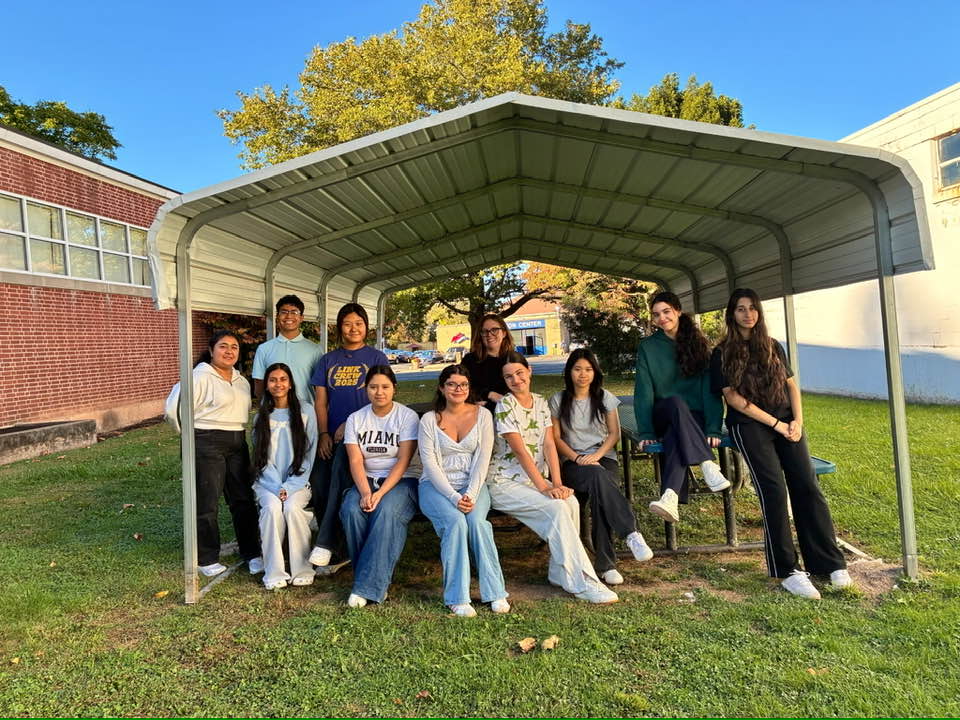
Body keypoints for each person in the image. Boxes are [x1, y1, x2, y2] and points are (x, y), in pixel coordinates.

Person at [711, 289, 852, 599]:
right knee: (774, 490)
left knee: (807, 485)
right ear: (731, 314)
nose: (748, 314)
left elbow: (790, 385)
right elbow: (733, 398)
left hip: (787, 422)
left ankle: (828, 563)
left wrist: (797, 421)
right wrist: (775, 424)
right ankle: (788, 570)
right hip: (750, 425)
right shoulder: (721, 353)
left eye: (752, 308)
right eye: (740, 309)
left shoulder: (773, 346)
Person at [487, 352, 618, 604]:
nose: (516, 380)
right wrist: (544, 488)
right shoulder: (505, 405)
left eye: (519, 373)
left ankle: (558, 571)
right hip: (504, 482)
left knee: (570, 502)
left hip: (534, 479)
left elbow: (549, 444)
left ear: (529, 371)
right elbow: (519, 451)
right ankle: (581, 581)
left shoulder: (540, 402)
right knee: (556, 508)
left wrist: (557, 484)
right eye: (509, 376)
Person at [550, 349, 654, 586]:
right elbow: (555, 438)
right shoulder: (558, 400)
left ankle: (607, 566)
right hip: (573, 462)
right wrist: (578, 458)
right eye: (577, 369)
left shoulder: (605, 397)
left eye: (588, 369)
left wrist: (595, 456)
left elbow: (614, 434)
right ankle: (630, 534)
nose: (583, 374)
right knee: (599, 479)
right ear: (569, 372)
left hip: (603, 458)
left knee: (600, 492)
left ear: (595, 372)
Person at [164, 330, 262, 578]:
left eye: (234, 347)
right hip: (206, 441)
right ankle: (207, 558)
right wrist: (190, 438)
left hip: (236, 441)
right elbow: (174, 409)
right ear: (211, 350)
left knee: (243, 500)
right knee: (207, 501)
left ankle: (252, 552)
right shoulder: (198, 376)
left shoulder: (241, 381)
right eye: (223, 346)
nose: (229, 351)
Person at [418, 365, 509, 617]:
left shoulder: (483, 416)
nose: (458, 389)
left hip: (473, 487)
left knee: (478, 523)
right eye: (452, 384)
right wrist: (454, 497)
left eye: (463, 385)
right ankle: (457, 597)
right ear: (441, 387)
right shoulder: (429, 420)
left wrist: (470, 494)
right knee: (455, 522)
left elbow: (483, 458)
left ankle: (495, 592)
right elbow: (430, 464)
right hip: (436, 487)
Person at [633, 291, 731, 524]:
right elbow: (643, 391)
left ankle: (670, 496)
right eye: (656, 314)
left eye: (666, 312)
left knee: (675, 435)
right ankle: (706, 462)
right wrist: (646, 431)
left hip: (691, 419)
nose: (662, 318)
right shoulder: (648, 347)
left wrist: (713, 428)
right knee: (675, 403)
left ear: (678, 311)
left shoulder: (699, 345)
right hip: (663, 412)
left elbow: (710, 392)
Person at [308, 303, 389, 568]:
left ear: (366, 327)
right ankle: (337, 544)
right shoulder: (328, 360)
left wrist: (351, 424)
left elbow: (382, 397)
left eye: (358, 323)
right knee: (319, 480)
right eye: (347, 323)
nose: (353, 328)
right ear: (339, 328)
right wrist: (323, 433)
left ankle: (327, 543)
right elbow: (321, 402)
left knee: (337, 477)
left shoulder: (376, 358)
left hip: (364, 436)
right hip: (331, 434)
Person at [339, 365, 420, 607]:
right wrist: (366, 492)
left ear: (394, 388)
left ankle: (368, 587)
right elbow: (355, 460)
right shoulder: (356, 419)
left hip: (402, 481)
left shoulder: (407, 416)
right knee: (352, 510)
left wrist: (381, 493)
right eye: (373, 387)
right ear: (366, 389)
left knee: (386, 511)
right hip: (367, 480)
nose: (379, 392)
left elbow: (404, 459)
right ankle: (370, 580)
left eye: (385, 387)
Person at [251, 363, 318, 590]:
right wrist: (276, 487)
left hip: (298, 482)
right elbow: (260, 459)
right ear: (266, 385)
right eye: (272, 380)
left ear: (290, 384)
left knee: (292, 508)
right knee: (271, 509)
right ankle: (274, 572)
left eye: (282, 379)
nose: (278, 384)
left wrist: (289, 487)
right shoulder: (261, 416)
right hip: (267, 483)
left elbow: (309, 455)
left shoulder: (306, 411)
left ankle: (302, 568)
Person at [252, 295, 323, 408]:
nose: (289, 316)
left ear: (301, 317)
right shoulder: (264, 349)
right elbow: (259, 384)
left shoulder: (315, 349)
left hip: (305, 412)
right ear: (277, 316)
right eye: (284, 312)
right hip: (273, 412)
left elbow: (320, 387)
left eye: (294, 312)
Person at [462, 314, 515, 412]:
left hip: (509, 413)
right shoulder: (469, 360)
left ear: (504, 333)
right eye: (485, 331)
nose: (489, 334)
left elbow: (518, 391)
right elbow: (464, 388)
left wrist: (489, 404)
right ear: (480, 335)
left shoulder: (513, 359)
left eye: (494, 330)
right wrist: (490, 394)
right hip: (478, 413)